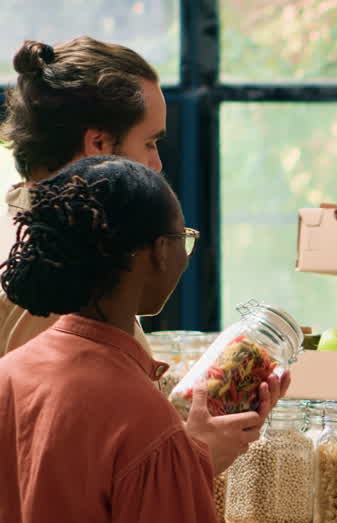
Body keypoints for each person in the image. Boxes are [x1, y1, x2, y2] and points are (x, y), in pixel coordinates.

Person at [0, 156, 268, 523]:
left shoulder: (11, 374)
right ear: (157, 251)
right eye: (183, 240)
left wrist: (190, 456)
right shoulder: (138, 414)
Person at [0, 38, 276, 470]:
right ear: (99, 145)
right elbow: (61, 470)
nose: (158, 165)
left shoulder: (38, 231)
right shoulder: (57, 269)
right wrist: (196, 457)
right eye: (150, 143)